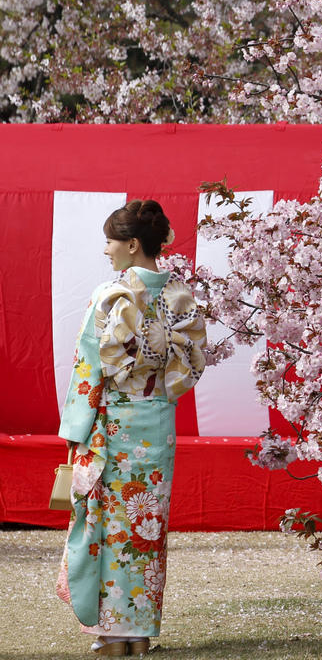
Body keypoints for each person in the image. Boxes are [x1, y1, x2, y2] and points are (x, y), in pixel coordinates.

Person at [56, 200, 207, 656]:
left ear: (133, 244)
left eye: (110, 241)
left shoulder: (110, 296)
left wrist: (76, 430)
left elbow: (89, 368)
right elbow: (191, 366)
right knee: (146, 526)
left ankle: (112, 634)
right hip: (158, 424)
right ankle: (138, 633)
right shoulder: (183, 299)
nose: (106, 250)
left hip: (113, 428)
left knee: (110, 528)